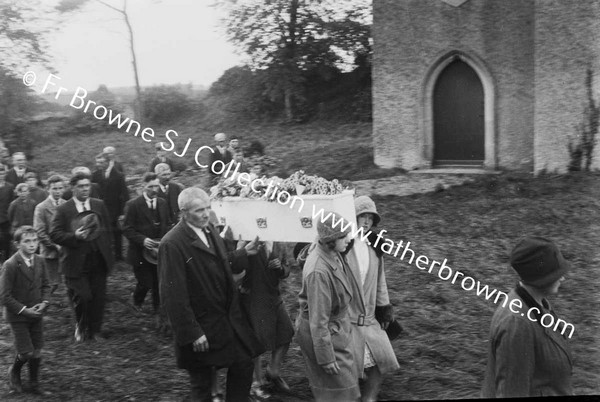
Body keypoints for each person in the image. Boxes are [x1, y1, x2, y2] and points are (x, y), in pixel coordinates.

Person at [158, 187, 265, 401]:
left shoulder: (209, 230)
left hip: (224, 321)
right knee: (202, 386)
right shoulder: (172, 243)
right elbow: (173, 295)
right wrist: (192, 333)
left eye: (208, 208)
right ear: (183, 212)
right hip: (201, 326)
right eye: (199, 210)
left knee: (244, 363)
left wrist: (243, 252)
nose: (206, 214)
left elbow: (218, 262)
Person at [481, 236, 573, 397]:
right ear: (541, 278)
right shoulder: (516, 324)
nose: (563, 278)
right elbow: (512, 392)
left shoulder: (537, 302)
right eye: (557, 273)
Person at [296, 211, 362, 402]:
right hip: (325, 336)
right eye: (343, 236)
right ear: (330, 240)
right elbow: (318, 320)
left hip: (335, 332)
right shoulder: (318, 272)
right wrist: (326, 357)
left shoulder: (332, 253)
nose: (348, 239)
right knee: (338, 394)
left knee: (346, 391)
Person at [344, 196, 399, 401]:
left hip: (368, 316)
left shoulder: (375, 246)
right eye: (362, 216)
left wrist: (384, 307)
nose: (366, 221)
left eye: (370, 217)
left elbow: (380, 280)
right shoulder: (344, 243)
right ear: (353, 217)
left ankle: (369, 398)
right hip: (346, 317)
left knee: (378, 361)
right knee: (349, 366)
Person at [50, 172, 114, 342]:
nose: (85, 189)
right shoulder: (64, 209)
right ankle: (80, 324)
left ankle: (95, 331)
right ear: (73, 188)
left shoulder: (98, 205)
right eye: (81, 186)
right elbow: (54, 234)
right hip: (75, 261)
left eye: (87, 185)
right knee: (83, 296)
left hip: (98, 259)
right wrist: (74, 237)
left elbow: (108, 230)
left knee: (98, 297)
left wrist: (108, 254)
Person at [239, 241, 295, 396]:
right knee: (257, 341)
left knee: (286, 332)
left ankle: (273, 372)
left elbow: (287, 269)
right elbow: (238, 266)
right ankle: (256, 383)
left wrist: (280, 268)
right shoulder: (249, 238)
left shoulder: (278, 241)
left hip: (274, 295)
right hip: (253, 297)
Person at [0, 226, 50, 394]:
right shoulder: (11, 264)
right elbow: (5, 296)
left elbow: (46, 285)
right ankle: (14, 371)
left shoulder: (40, 260)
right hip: (18, 316)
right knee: (26, 352)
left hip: (36, 313)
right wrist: (24, 310)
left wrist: (44, 303)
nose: (32, 245)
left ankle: (34, 383)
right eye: (27, 241)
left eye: (35, 240)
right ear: (17, 244)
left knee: (36, 351)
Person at [123, 173, 170, 314]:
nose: (154, 189)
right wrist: (142, 240)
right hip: (139, 253)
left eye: (156, 186)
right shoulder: (133, 205)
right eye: (150, 186)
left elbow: (167, 224)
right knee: (144, 283)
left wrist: (165, 239)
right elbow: (127, 229)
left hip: (158, 252)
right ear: (143, 187)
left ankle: (158, 310)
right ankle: (137, 300)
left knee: (158, 282)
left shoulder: (162, 203)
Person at [91, 153, 129, 261]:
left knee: (117, 232)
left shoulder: (118, 175)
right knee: (102, 232)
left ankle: (118, 256)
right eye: (97, 162)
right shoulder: (95, 174)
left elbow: (124, 194)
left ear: (108, 162)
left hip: (115, 209)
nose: (99, 165)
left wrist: (123, 212)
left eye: (102, 162)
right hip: (99, 208)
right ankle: (105, 255)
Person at [33, 175, 66, 295]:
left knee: (67, 284)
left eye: (60, 188)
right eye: (54, 189)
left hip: (66, 252)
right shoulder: (41, 208)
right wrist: (55, 246)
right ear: (48, 189)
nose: (58, 191)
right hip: (49, 253)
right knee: (50, 284)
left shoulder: (67, 204)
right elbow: (40, 232)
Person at [0, 166, 15, 262]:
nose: (1, 176)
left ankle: (6, 261)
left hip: (6, 219)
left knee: (6, 241)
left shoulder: (9, 187)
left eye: (2, 174)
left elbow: (12, 203)